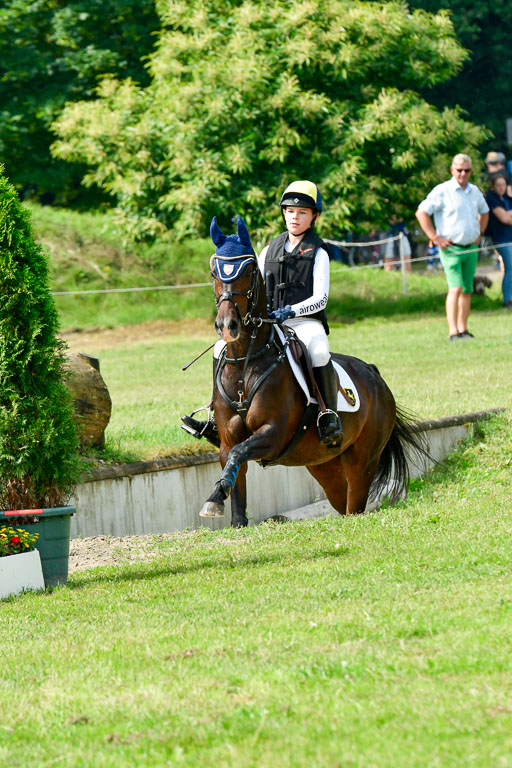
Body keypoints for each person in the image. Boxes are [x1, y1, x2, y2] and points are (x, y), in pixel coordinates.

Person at [182, 180, 343, 447]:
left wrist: (290, 310)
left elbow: (321, 298)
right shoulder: (269, 248)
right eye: (290, 211)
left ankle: (328, 416)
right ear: (283, 213)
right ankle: (214, 414)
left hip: (304, 322)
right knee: (221, 347)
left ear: (314, 216)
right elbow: (254, 286)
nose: (295, 217)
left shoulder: (319, 252)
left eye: (302, 212)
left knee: (319, 350)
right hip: (268, 321)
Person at [415, 153, 489, 341]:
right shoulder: (442, 190)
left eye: (467, 170)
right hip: (450, 248)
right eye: (459, 170)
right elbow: (422, 212)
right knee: (455, 288)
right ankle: (453, 330)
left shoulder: (474, 191)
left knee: (466, 289)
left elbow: (485, 211)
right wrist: (434, 236)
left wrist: (479, 233)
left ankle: (463, 329)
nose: (463, 174)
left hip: (470, 247)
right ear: (452, 170)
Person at [485, 173, 512, 308]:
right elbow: (504, 219)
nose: (501, 188)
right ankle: (507, 300)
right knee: (510, 268)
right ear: (493, 186)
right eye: (498, 185)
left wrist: (508, 214)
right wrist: (507, 215)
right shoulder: (492, 198)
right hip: (502, 238)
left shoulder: (507, 199)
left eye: (503, 185)